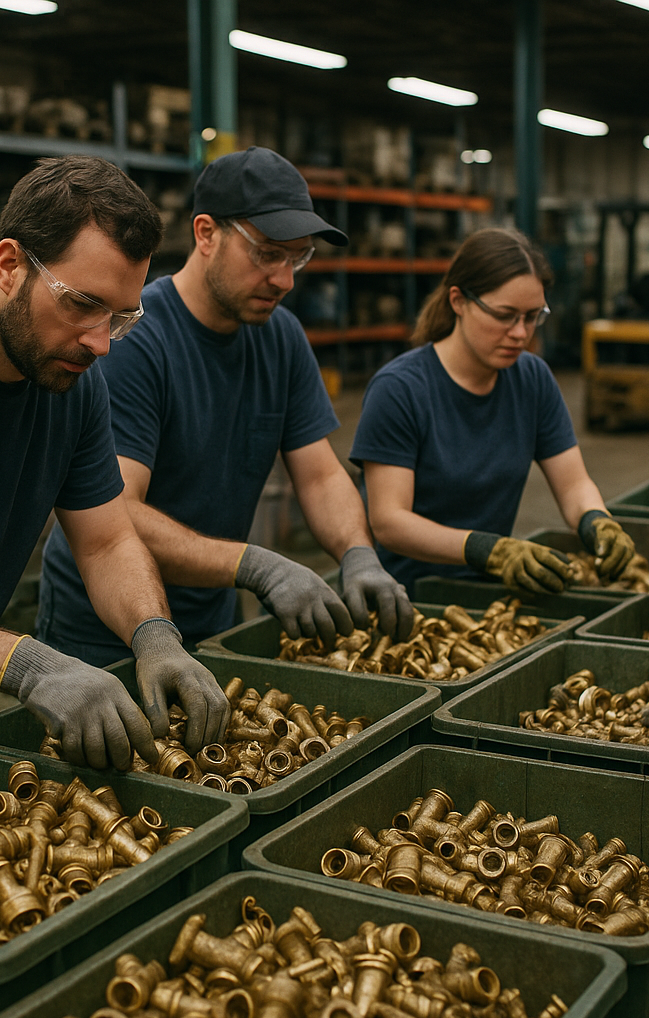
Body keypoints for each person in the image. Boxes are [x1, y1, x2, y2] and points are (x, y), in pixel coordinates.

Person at [0, 155, 229, 771]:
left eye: (121, 317)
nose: (100, 341)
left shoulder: (71, 382)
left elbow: (104, 542)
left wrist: (154, 634)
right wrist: (27, 663)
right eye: (82, 304)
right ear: (8, 265)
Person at [37, 146, 413, 668]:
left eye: (297, 257)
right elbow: (117, 511)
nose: (285, 279)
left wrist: (358, 552)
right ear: (206, 234)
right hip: (105, 631)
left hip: (214, 612)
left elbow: (320, 475)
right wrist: (257, 565)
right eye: (267, 253)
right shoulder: (133, 338)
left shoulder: (280, 336)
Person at [348, 227, 636, 598]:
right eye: (505, 316)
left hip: (488, 591)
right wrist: (489, 550)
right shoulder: (400, 390)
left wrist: (596, 521)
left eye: (533, 317)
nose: (521, 333)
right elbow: (389, 522)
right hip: (402, 597)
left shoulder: (532, 380)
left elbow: (574, 484)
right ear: (458, 301)